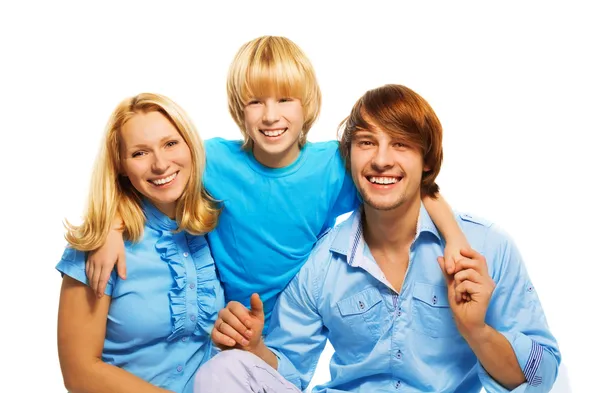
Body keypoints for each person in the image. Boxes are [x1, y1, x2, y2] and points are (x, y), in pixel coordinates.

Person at [85, 36, 470, 332]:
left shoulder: (333, 165)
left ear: (307, 106)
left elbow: (414, 189)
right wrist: (112, 230)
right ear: (239, 109)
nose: (271, 116)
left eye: (285, 99)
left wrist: (455, 238)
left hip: (298, 323)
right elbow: (151, 181)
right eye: (255, 102)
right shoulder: (212, 159)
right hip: (225, 321)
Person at [197, 84, 561, 393]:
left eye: (400, 144)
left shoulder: (485, 248)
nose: (381, 160)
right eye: (367, 143)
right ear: (350, 157)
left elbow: (542, 375)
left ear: (427, 163)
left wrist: (476, 330)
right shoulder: (323, 262)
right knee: (221, 370)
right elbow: (289, 370)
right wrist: (254, 346)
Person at [56, 93, 224, 393]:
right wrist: (110, 223)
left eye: (170, 144)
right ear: (120, 164)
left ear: (191, 146)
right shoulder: (98, 245)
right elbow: (79, 373)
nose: (161, 164)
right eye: (139, 153)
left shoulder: (214, 223)